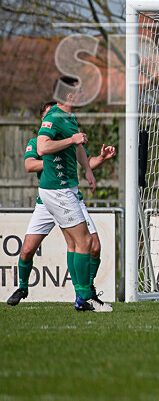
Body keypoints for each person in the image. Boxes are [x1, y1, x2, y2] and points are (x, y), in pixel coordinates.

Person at [7, 101, 116, 309]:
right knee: (27, 250)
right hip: (47, 201)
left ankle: (86, 292)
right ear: (44, 120)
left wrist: (101, 159)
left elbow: (85, 162)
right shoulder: (38, 142)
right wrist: (56, 154)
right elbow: (29, 165)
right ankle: (22, 286)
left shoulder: (67, 140)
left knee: (92, 246)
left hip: (68, 195)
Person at [30, 77, 103, 311]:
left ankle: (83, 296)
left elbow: (78, 147)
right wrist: (72, 138)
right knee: (86, 242)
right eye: (80, 91)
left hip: (67, 188)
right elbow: (42, 147)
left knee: (76, 244)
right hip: (58, 190)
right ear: (69, 96)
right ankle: (84, 297)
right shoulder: (53, 118)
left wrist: (89, 169)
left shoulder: (70, 117)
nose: (83, 94)